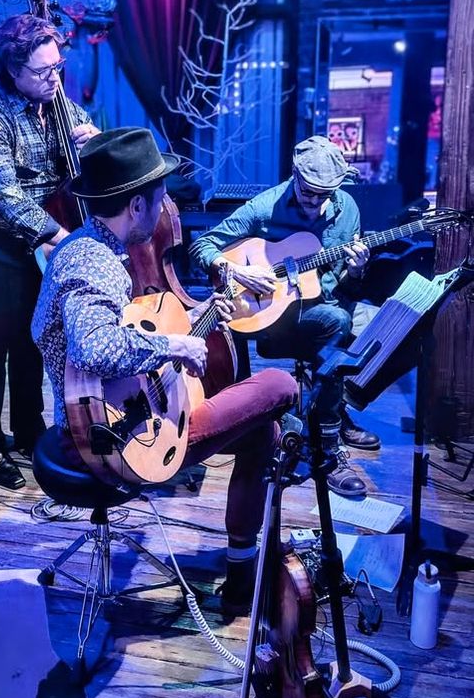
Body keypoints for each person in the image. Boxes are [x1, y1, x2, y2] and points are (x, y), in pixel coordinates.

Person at [32, 127, 298, 616]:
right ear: (136, 205)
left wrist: (188, 328)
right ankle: (247, 573)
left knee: (263, 430)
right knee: (281, 386)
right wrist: (173, 345)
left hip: (116, 415)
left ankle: (243, 571)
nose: (163, 210)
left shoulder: (88, 247)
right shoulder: (93, 262)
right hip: (112, 439)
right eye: (160, 199)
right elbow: (93, 347)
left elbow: (115, 341)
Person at [189, 135, 381, 498]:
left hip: (322, 307)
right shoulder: (265, 207)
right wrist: (235, 270)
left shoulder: (348, 210)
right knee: (334, 323)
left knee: (354, 323)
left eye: (325, 194)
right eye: (308, 192)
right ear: (294, 175)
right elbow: (202, 245)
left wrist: (357, 270)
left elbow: (347, 284)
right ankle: (305, 437)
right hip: (270, 320)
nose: (315, 203)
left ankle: (329, 430)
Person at [0, 14, 100, 490]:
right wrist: (65, 238)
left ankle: (27, 429)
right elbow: (7, 195)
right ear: (12, 70)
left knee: (31, 338)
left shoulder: (59, 104)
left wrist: (94, 143)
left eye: (58, 67)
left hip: (44, 238)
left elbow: (89, 156)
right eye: (43, 71)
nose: (54, 78)